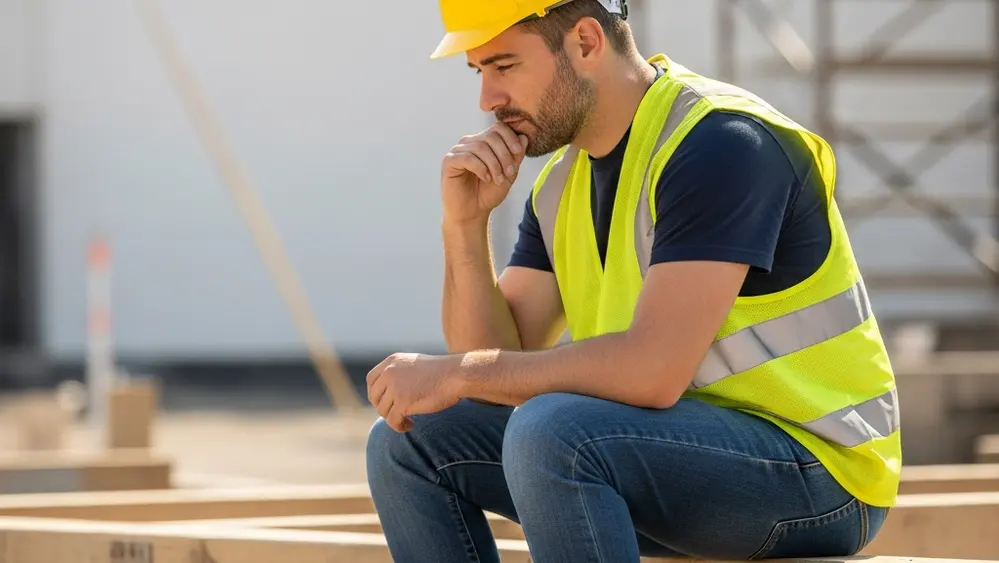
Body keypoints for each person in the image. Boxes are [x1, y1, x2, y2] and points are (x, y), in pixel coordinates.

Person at [364, 1, 901, 561]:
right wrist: (465, 226)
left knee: (552, 431)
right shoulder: (558, 185)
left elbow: (653, 372)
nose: (488, 100)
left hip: (819, 474)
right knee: (410, 439)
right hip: (666, 457)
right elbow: (491, 363)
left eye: (504, 66)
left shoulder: (721, 143)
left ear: (587, 42)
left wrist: (459, 372)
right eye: (481, 72)